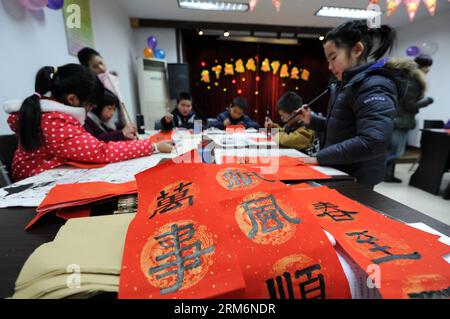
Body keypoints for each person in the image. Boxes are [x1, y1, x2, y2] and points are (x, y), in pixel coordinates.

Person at [3, 64, 173, 181]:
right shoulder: (54, 121)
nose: (90, 111)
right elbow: (100, 151)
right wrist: (152, 146)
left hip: (37, 178)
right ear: (72, 99)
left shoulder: (47, 115)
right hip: (36, 186)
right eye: (90, 106)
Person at [292, 20, 410, 188]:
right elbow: (342, 129)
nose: (330, 66)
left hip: (357, 178)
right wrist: (312, 120)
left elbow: (373, 140)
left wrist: (320, 157)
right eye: (328, 60)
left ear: (356, 50)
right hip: (340, 170)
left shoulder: (374, 85)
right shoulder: (346, 84)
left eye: (333, 57)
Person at [385, 57, 434, 183]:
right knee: (397, 152)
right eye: (427, 66)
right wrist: (427, 101)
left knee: (394, 150)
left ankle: (387, 175)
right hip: (401, 121)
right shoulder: (414, 81)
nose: (428, 70)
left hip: (398, 119)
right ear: (421, 67)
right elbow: (409, 105)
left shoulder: (408, 78)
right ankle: (375, 170)